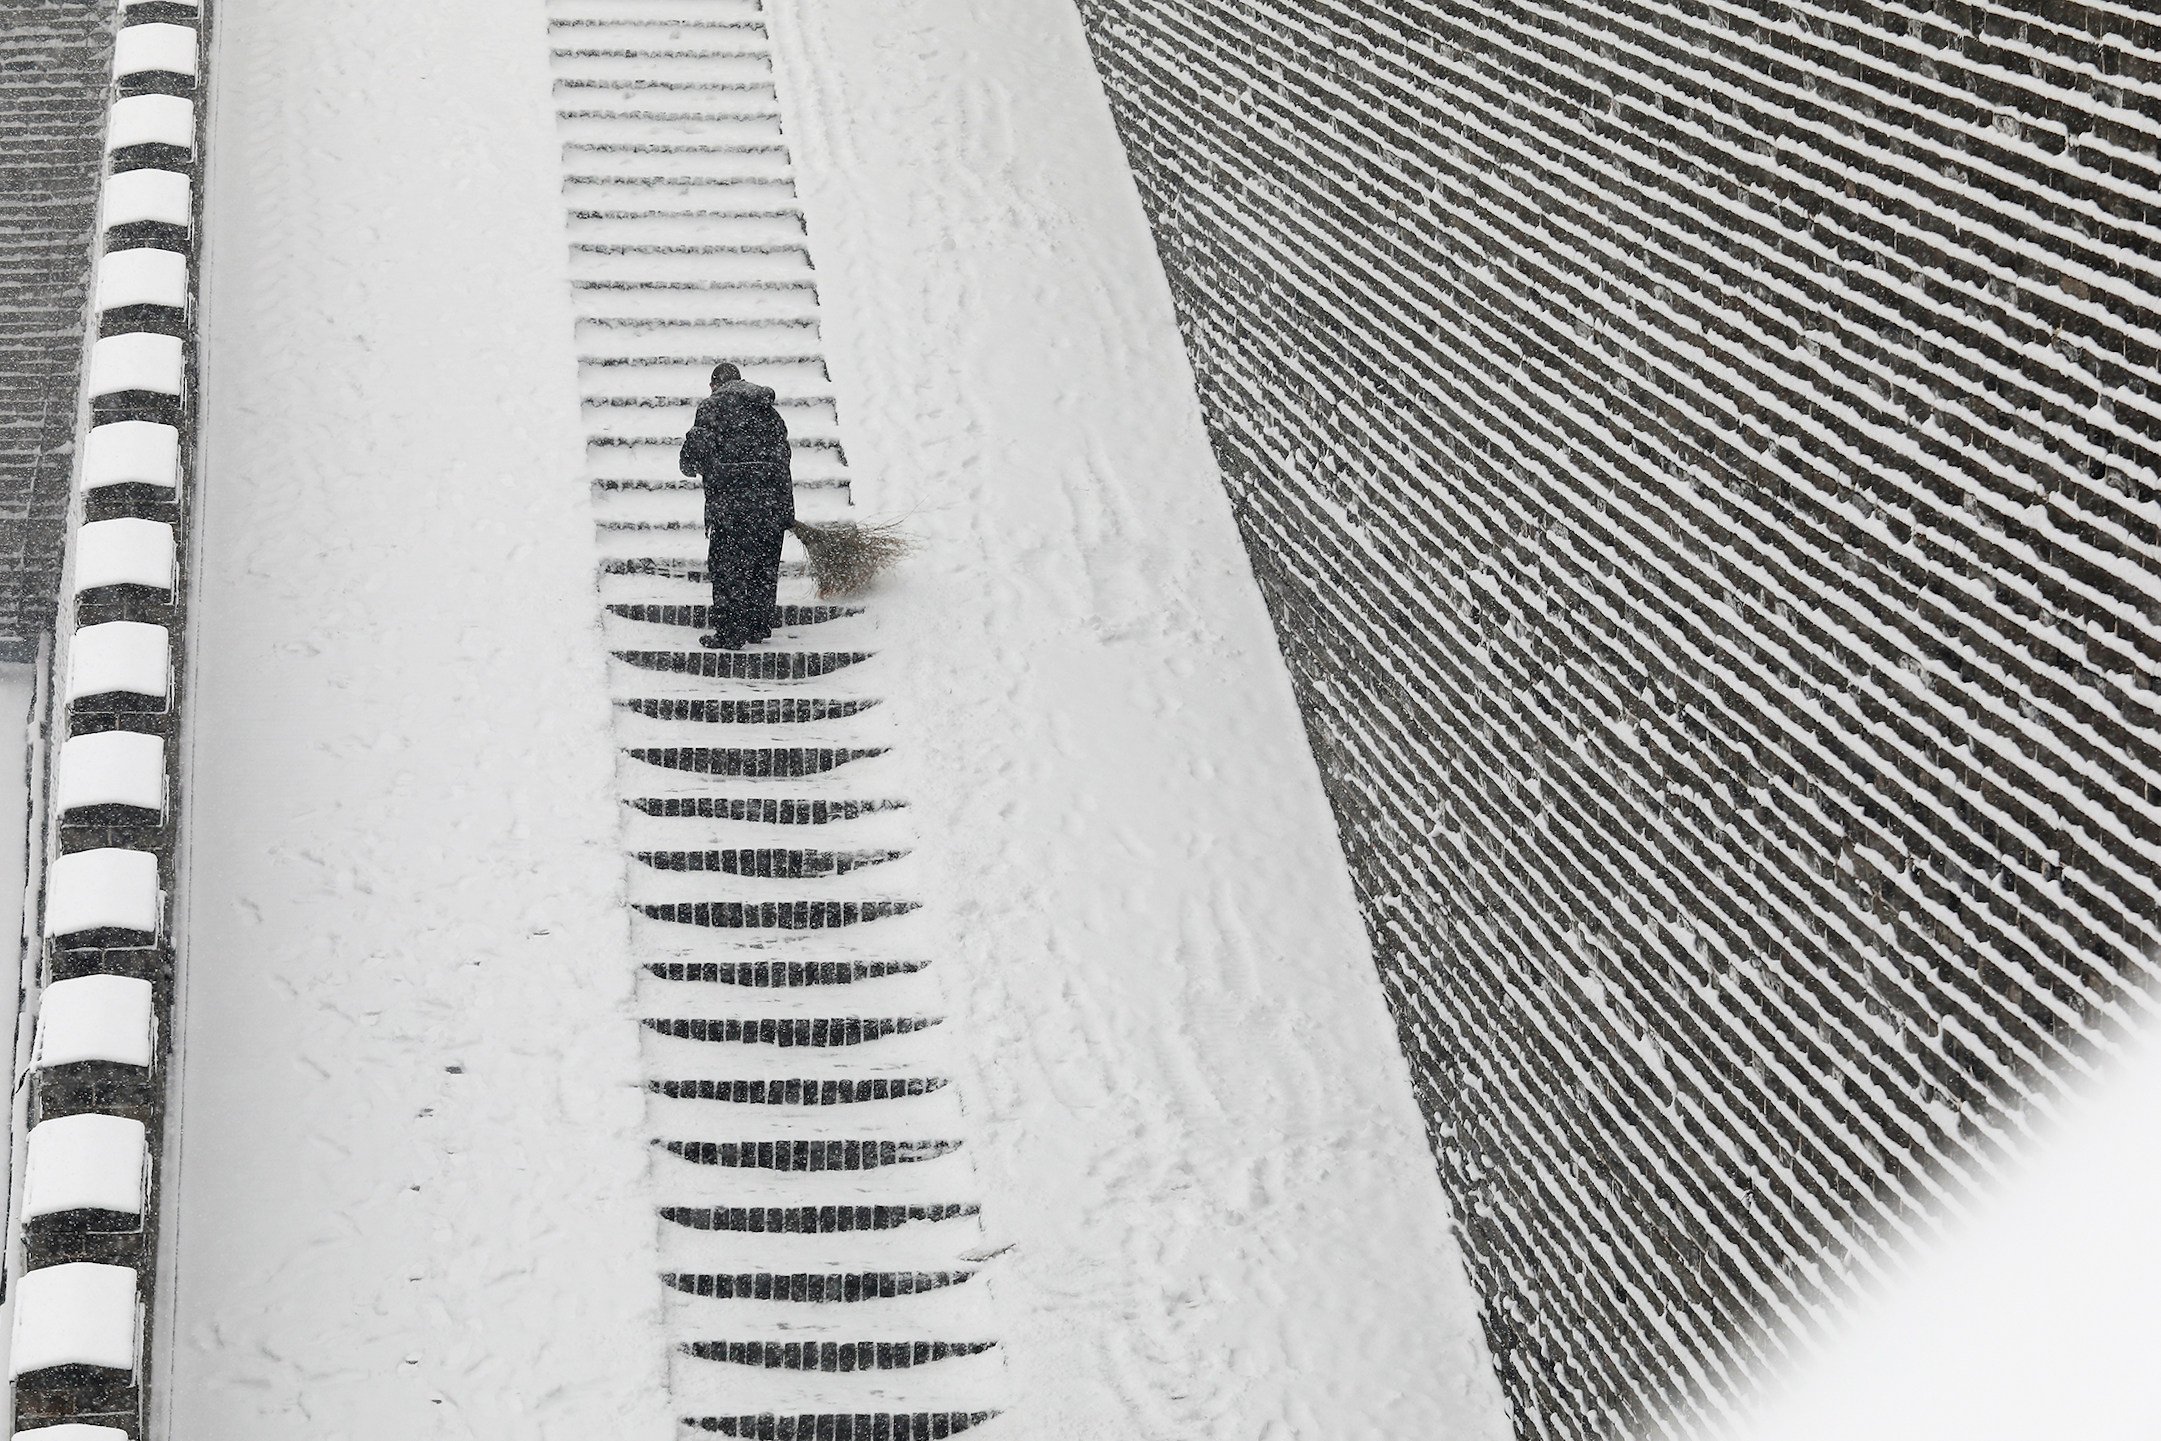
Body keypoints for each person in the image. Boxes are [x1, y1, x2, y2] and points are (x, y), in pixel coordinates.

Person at [679, 363, 795, 648]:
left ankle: (731, 633)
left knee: (728, 566)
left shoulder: (712, 408)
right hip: (769, 505)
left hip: (732, 504)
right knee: (762, 567)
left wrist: (691, 462)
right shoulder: (769, 412)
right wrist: (786, 511)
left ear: (714, 384)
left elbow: (694, 456)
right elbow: (783, 461)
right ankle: (757, 626)